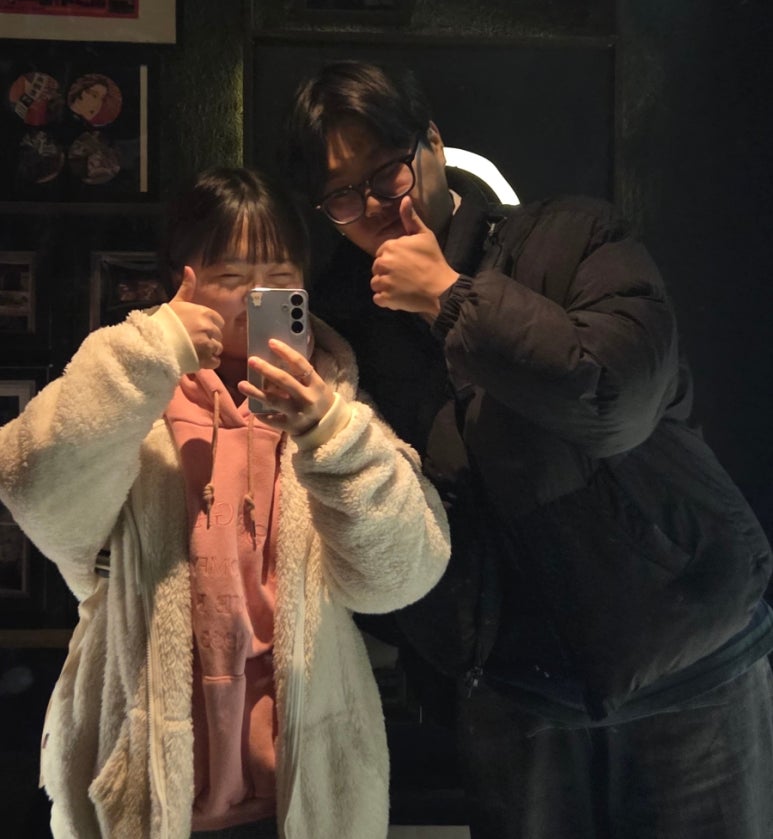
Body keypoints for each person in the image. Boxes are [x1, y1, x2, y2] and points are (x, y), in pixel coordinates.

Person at [282, 59, 773, 839]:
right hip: (515, 694)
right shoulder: (350, 326)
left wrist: (449, 299)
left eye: (385, 172)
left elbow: (616, 399)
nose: (372, 207)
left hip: (690, 656)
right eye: (343, 195)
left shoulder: (573, 235)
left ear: (432, 143)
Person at [0, 166, 450, 839]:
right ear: (181, 280)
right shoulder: (134, 403)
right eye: (233, 275)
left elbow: (401, 576)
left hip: (303, 790)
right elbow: (30, 482)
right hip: (145, 783)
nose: (258, 296)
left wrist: (330, 433)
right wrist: (152, 350)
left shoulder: (338, 408)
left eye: (280, 277)